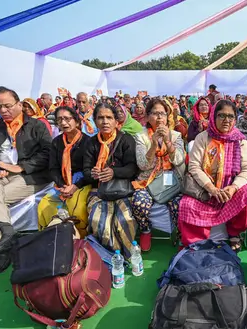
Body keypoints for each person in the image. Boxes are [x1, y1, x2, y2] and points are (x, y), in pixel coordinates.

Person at [0, 86, 52, 274]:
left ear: (19, 104)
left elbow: (48, 152)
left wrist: (21, 167)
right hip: (0, 174)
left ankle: (1, 249)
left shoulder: (36, 126)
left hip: (28, 175)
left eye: (7, 106)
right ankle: (7, 232)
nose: (3, 111)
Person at [179, 100, 247, 250]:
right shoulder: (203, 137)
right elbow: (194, 166)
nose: (226, 120)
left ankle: (233, 232)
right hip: (205, 189)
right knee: (186, 204)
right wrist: (212, 189)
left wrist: (233, 188)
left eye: (230, 116)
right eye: (221, 115)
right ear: (213, 117)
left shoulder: (239, 140)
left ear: (235, 119)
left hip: (231, 188)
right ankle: (196, 243)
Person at [84, 103, 138, 259]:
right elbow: (86, 170)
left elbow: (132, 168)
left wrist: (113, 172)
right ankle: (110, 257)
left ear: (116, 121)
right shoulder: (91, 143)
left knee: (124, 220)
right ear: (94, 120)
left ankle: (127, 255)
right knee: (98, 220)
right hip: (99, 190)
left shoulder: (126, 140)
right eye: (100, 118)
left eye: (109, 118)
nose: (105, 122)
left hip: (122, 190)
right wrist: (93, 173)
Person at [131, 98, 186, 252]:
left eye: (162, 113)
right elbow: (142, 165)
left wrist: (168, 143)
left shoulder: (175, 135)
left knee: (180, 202)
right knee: (138, 200)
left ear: (167, 116)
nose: (159, 117)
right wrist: (154, 144)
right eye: (155, 113)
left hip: (171, 179)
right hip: (148, 180)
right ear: (148, 117)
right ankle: (145, 230)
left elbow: (179, 160)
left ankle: (181, 236)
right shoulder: (140, 136)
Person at [37, 107, 91, 237]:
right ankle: (52, 237)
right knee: (44, 205)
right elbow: (53, 168)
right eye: (59, 119)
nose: (63, 122)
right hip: (62, 182)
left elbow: (89, 170)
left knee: (76, 207)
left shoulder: (88, 142)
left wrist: (74, 186)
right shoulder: (56, 142)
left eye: (67, 118)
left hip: (82, 182)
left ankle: (78, 238)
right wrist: (62, 185)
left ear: (77, 122)